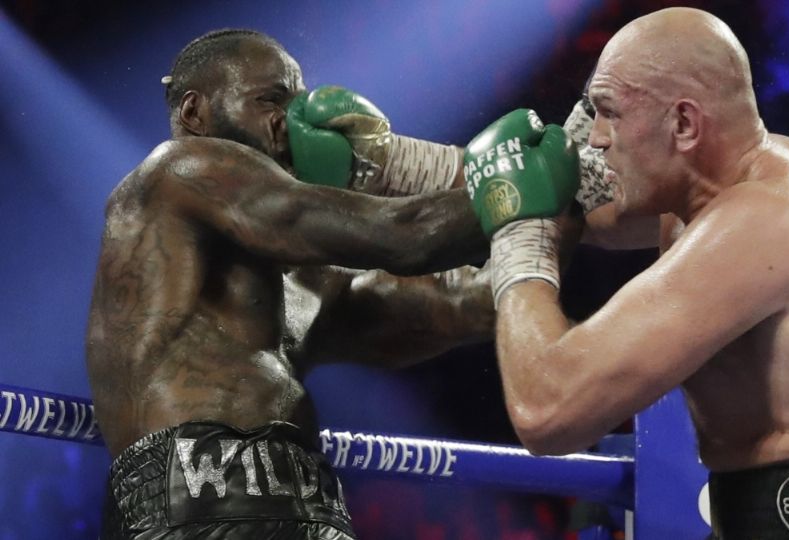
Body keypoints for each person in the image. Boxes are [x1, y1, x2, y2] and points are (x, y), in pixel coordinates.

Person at [464, 7, 789, 539]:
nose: (597, 137)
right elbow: (568, 207)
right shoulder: (708, 190)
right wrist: (400, 164)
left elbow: (547, 409)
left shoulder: (767, 219)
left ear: (683, 124)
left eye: (609, 113)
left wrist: (519, 240)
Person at [85, 28, 494, 540]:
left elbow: (473, 303)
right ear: (195, 114)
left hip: (308, 505)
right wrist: (504, 177)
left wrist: (576, 200)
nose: (294, 123)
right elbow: (399, 235)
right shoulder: (178, 168)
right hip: (194, 501)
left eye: (299, 104)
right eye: (271, 100)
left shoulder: (307, 276)